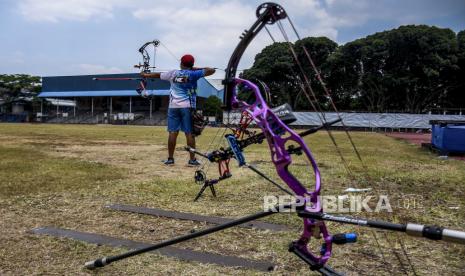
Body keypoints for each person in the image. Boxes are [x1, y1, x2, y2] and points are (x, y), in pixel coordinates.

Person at [141, 54, 216, 165]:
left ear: (181, 63)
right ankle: (192, 160)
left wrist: (145, 74)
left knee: (172, 132)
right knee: (189, 133)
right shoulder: (194, 74)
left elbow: (157, 74)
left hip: (173, 106)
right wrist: (196, 68)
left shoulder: (173, 73)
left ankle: (170, 159)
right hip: (188, 107)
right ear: (192, 64)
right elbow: (212, 70)